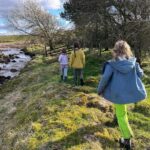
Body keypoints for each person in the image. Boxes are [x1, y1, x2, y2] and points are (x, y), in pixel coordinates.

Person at [97, 40, 147, 149]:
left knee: (121, 115)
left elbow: (105, 78)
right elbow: (141, 74)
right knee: (123, 114)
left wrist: (99, 90)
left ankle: (126, 138)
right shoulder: (133, 62)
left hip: (118, 95)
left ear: (115, 50)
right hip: (128, 93)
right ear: (127, 50)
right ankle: (126, 136)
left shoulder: (112, 63)